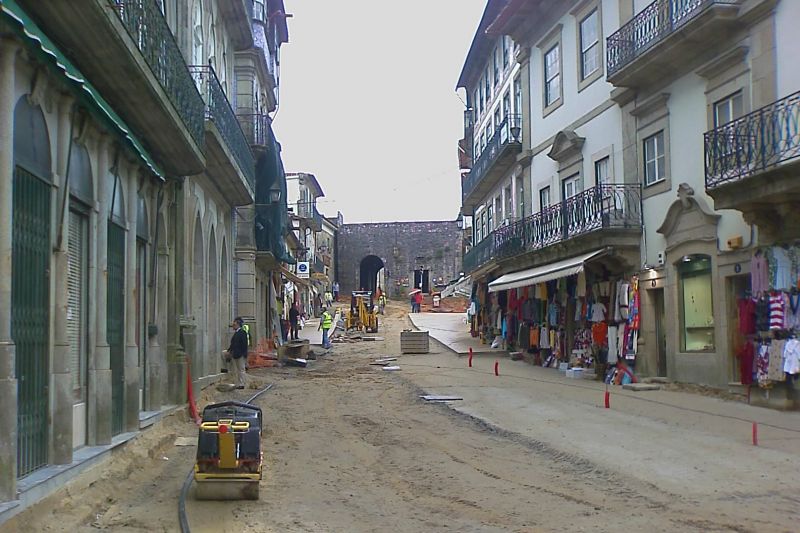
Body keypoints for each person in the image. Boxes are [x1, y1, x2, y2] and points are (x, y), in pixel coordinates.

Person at [225, 317, 249, 389]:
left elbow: (244, 345)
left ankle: (241, 384)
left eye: (234, 323)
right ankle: (238, 382)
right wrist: (229, 351)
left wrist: (244, 355)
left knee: (241, 369)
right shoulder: (237, 333)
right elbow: (233, 344)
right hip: (235, 353)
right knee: (237, 369)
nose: (233, 325)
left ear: (238, 324)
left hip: (240, 354)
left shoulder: (242, 333)